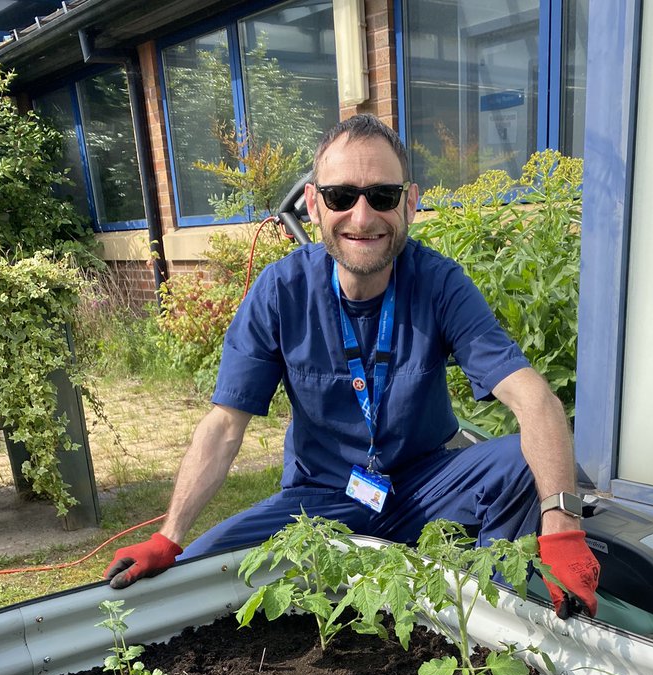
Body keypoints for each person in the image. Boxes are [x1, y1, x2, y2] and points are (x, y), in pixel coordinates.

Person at [105, 114, 600, 618]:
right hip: (322, 499)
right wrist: (170, 537)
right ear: (315, 205)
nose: (362, 218)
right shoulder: (281, 292)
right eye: (342, 196)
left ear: (410, 202)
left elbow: (534, 398)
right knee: (204, 571)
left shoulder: (439, 283)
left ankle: (484, 617)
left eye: (382, 196)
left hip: (425, 487)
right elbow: (225, 425)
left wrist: (562, 521)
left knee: (523, 464)